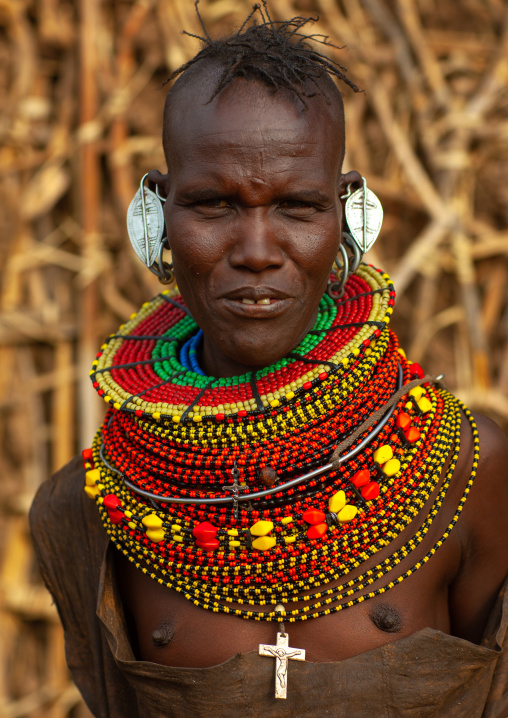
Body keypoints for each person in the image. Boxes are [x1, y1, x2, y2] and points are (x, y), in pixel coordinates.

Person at [30, 5, 508, 717]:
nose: (257, 249)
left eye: (296, 205)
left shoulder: (464, 470)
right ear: (157, 214)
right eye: (214, 203)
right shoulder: (97, 512)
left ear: (348, 216)